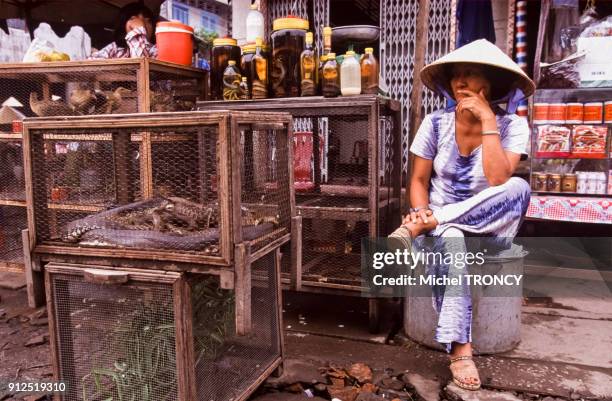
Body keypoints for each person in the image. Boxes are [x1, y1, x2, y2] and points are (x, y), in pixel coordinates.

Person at [399, 39, 535, 391]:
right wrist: (422, 210)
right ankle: (461, 350)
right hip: (442, 227)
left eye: (470, 73)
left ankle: (435, 222)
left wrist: (488, 119)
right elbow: (417, 180)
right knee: (452, 238)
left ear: (489, 85)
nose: (460, 81)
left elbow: (498, 180)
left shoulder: (514, 127)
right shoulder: (434, 124)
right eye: (456, 74)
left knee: (518, 188)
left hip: (490, 224)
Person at [89, 2, 158, 59]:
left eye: (147, 21)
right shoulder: (115, 47)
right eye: (133, 19)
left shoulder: (157, 49)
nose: (142, 24)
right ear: (123, 25)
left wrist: (137, 32)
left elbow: (141, 67)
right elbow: (90, 67)